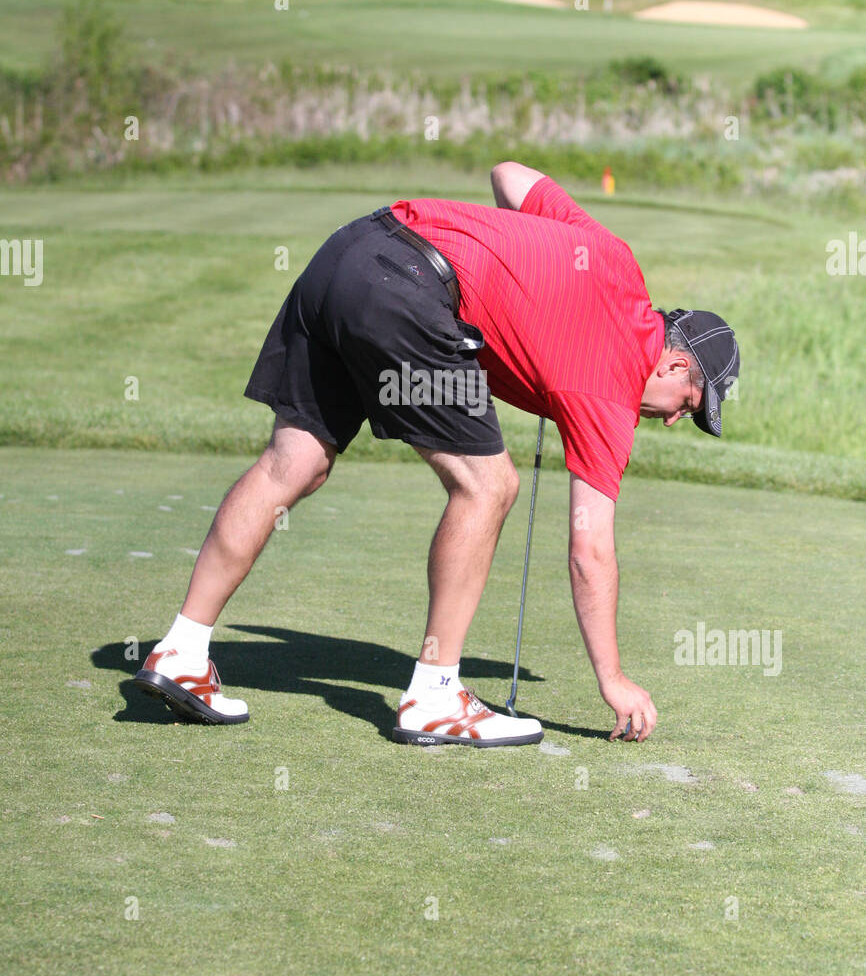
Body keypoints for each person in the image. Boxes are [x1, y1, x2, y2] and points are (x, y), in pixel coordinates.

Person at [134, 162, 739, 747]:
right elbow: (590, 552)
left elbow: (509, 172)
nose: (675, 417)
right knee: (488, 485)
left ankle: (182, 650)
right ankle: (435, 696)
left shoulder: (614, 256)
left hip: (349, 252)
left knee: (293, 463)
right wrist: (612, 679)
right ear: (676, 362)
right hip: (411, 293)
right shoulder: (611, 390)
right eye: (689, 403)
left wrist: (527, 269)